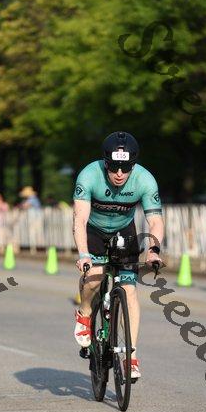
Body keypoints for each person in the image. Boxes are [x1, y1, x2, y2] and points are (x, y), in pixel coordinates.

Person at [73, 131, 164, 380]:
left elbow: (155, 220)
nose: (120, 174)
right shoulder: (89, 175)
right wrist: (84, 254)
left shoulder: (145, 180)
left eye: (126, 168)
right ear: (105, 163)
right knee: (95, 275)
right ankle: (84, 313)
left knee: (130, 290)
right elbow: (79, 220)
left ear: (133, 165)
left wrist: (153, 251)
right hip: (94, 229)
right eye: (114, 167)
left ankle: (131, 355)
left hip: (124, 230)